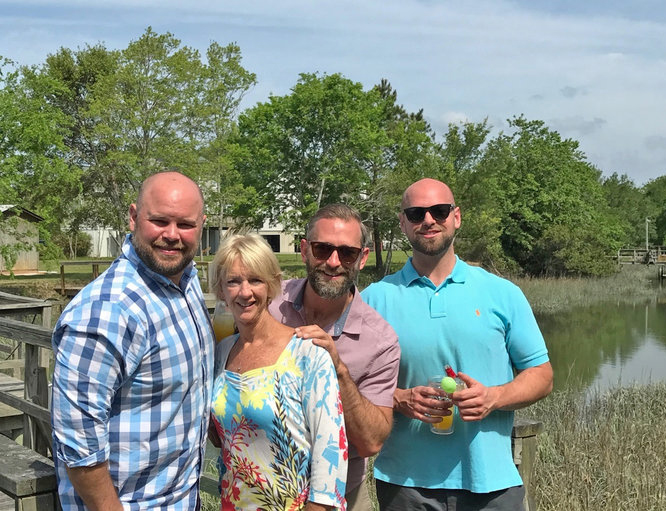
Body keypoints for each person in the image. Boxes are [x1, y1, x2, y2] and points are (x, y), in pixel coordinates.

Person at [362, 178, 553, 511]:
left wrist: (494, 397)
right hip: (404, 485)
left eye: (439, 210)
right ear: (403, 222)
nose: (428, 220)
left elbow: (541, 375)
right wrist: (399, 397)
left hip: (491, 483)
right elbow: (346, 382)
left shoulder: (502, 293)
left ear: (456, 217)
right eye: (416, 213)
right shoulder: (375, 300)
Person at [51, 171, 215, 510]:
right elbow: (80, 448)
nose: (172, 235)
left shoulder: (186, 281)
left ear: (201, 226)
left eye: (185, 224)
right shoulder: (107, 311)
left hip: (184, 499)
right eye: (159, 221)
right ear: (133, 217)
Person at [268, 203, 400, 510]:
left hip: (343, 497)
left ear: (363, 258)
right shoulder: (269, 304)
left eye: (347, 253)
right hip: (263, 487)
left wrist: (338, 369)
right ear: (304, 251)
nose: (333, 262)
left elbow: (371, 441)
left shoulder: (380, 341)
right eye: (322, 249)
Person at [209, 234, 348, 511]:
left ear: (272, 285)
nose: (245, 292)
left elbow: (331, 450)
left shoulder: (307, 354)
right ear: (221, 291)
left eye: (255, 280)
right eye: (233, 281)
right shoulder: (221, 353)